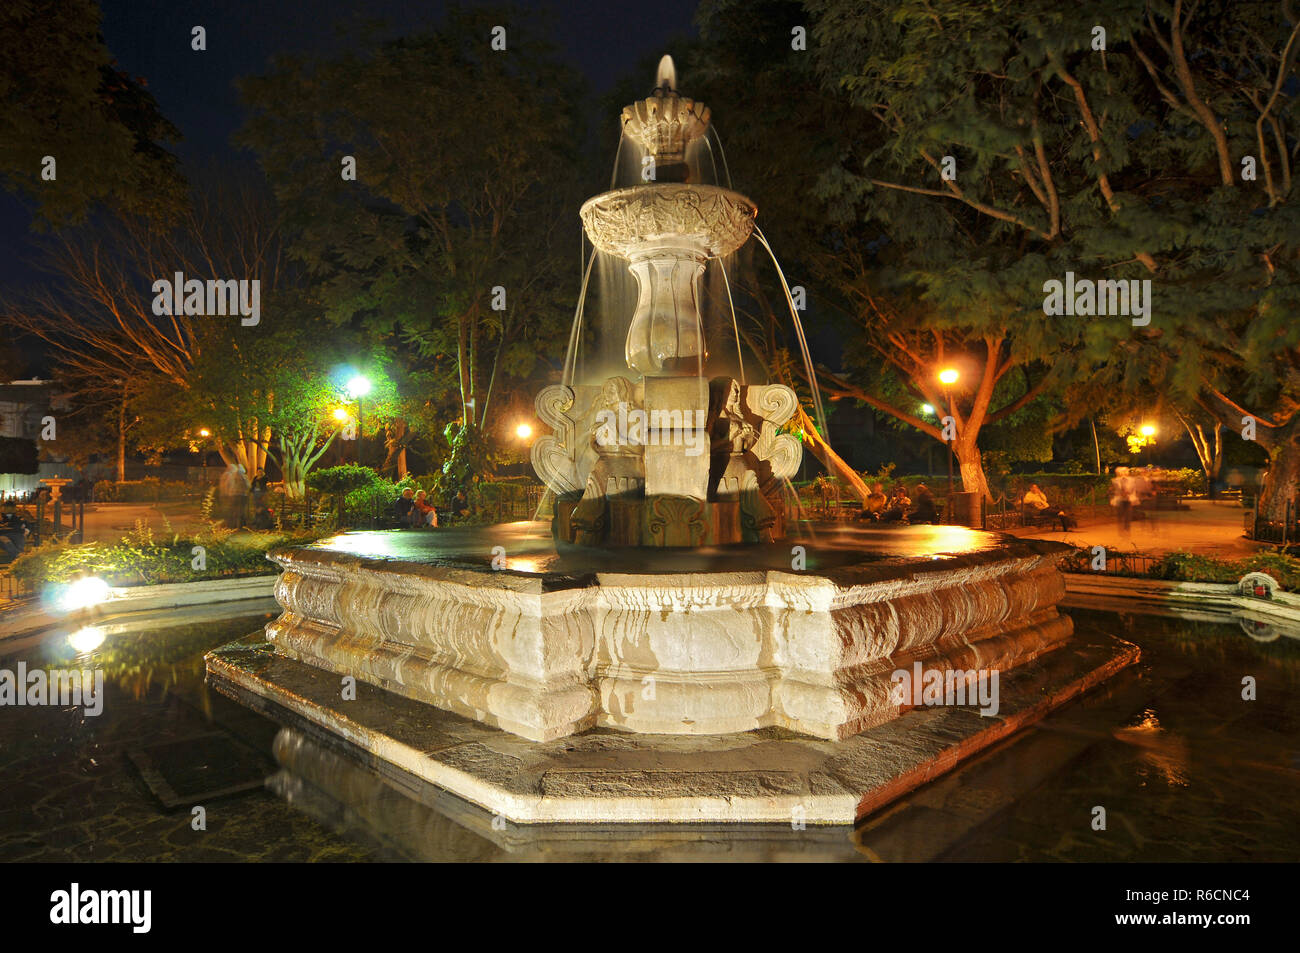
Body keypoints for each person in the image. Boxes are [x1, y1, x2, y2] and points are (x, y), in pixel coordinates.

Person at [219, 463, 250, 529]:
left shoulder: (231, 475)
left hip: (232, 495)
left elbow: (227, 485)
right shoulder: (243, 476)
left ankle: (231, 526)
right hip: (242, 495)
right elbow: (248, 485)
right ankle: (240, 526)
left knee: (233, 510)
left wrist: (227, 492)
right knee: (241, 511)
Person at [1110, 467, 1137, 535]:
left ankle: (1127, 529)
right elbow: (1113, 490)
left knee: (1128, 515)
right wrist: (1119, 493)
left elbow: (1134, 489)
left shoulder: (1132, 480)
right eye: (1122, 472)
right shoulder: (1114, 480)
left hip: (1128, 499)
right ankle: (1121, 530)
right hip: (1119, 499)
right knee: (1120, 515)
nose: (1124, 473)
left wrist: (1128, 493)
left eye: (1125, 471)